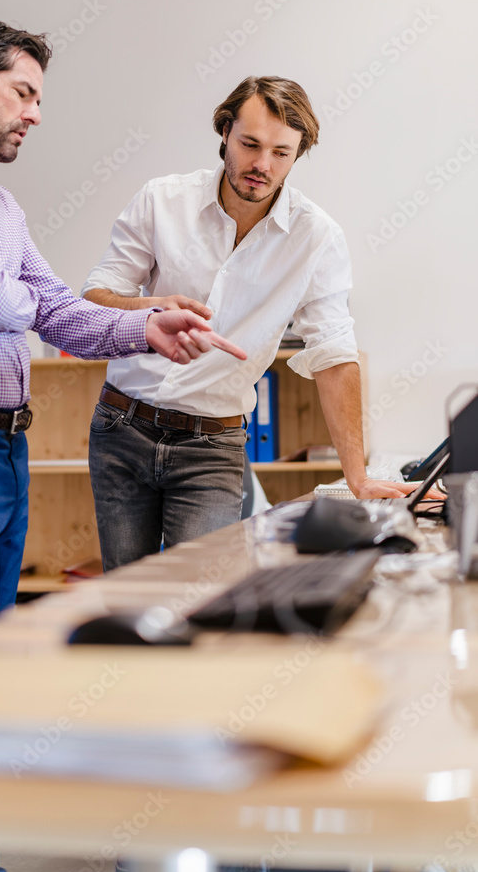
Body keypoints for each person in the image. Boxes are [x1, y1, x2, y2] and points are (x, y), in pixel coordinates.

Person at [0, 18, 245, 872]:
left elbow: (57, 309)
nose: (35, 113)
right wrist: (34, 295)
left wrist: (147, 324)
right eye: (23, 92)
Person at [82, 75, 431, 572]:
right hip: (122, 427)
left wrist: (357, 477)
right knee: (125, 593)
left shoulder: (316, 238)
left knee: (202, 593)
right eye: (250, 144)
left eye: (281, 153)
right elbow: (96, 297)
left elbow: (334, 354)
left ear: (297, 154)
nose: (262, 165)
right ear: (225, 132)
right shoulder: (162, 200)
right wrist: (153, 310)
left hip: (212, 446)